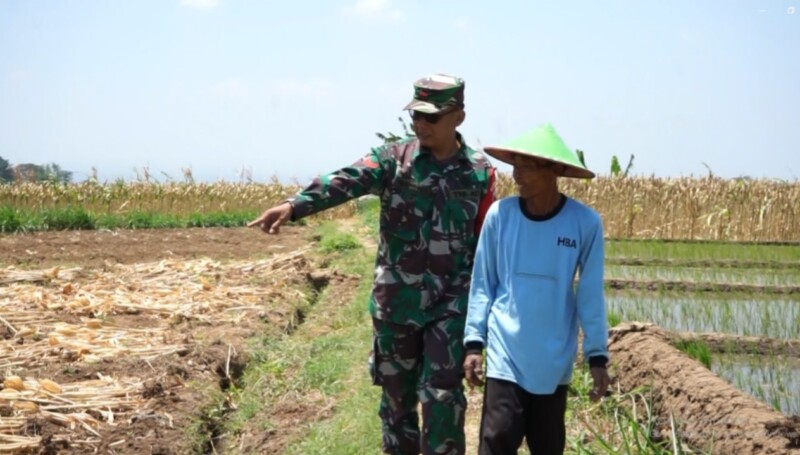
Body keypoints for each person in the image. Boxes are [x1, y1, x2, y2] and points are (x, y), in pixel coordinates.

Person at [248, 73, 496, 455]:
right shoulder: (392, 160)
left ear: (458, 117)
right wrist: (294, 206)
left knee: (443, 399)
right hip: (396, 303)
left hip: (450, 305)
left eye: (432, 117)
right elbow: (344, 182)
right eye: (417, 116)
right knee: (397, 404)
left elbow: (486, 241)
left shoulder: (480, 172)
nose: (421, 124)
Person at [462, 124, 611, 455]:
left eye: (527, 166)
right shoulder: (500, 216)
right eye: (515, 165)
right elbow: (483, 282)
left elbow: (589, 293)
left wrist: (597, 355)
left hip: (553, 358)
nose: (517, 175)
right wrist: (474, 343)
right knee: (498, 438)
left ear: (555, 170)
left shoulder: (584, 223)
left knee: (547, 445)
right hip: (506, 351)